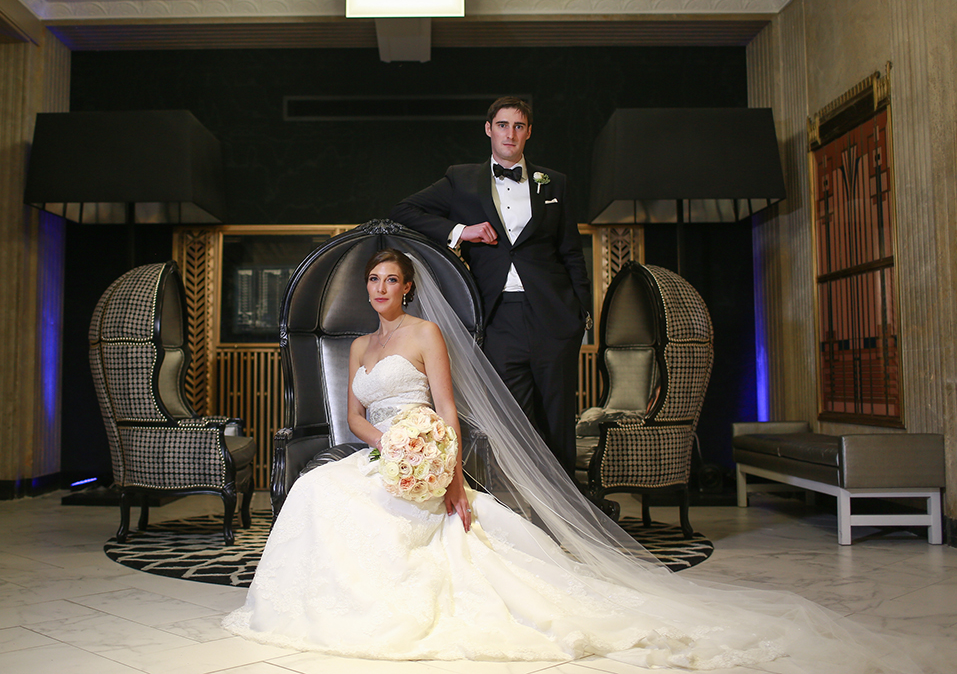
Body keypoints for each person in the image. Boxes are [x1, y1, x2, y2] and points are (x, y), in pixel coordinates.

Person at [223, 248, 935, 673]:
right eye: (372, 282)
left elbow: (445, 410)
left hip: (427, 453)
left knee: (433, 532)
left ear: (406, 287)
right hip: (384, 453)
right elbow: (351, 416)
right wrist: (389, 450)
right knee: (320, 495)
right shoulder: (358, 348)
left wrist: (436, 465)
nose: (380, 290)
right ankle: (335, 606)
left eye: (390, 281)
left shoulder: (425, 334)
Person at [389, 97, 589, 479]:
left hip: (553, 317)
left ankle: (565, 516)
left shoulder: (555, 183)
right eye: (502, 125)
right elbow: (404, 211)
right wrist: (462, 232)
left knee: (558, 419)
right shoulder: (461, 179)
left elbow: (571, 253)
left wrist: (580, 313)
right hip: (496, 318)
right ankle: (519, 513)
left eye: (518, 126)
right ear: (488, 129)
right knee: (510, 422)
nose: (510, 133)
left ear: (528, 132)